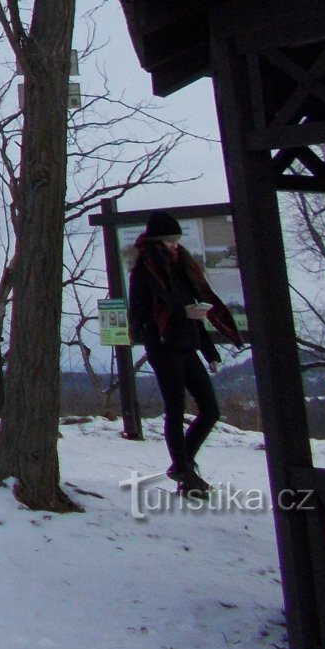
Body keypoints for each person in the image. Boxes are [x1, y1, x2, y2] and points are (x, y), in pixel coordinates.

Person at [128, 212, 244, 495]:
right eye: (170, 240)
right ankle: (184, 472)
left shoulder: (183, 268)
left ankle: (182, 464)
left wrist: (210, 351)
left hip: (187, 344)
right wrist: (182, 313)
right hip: (163, 346)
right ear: (157, 241)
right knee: (175, 410)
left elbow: (195, 312)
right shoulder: (145, 269)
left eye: (177, 239)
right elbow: (141, 315)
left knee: (210, 410)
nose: (176, 245)